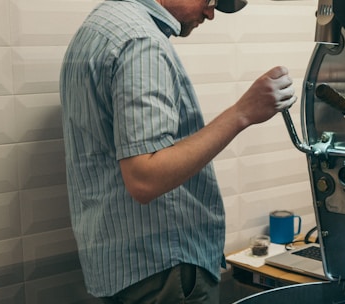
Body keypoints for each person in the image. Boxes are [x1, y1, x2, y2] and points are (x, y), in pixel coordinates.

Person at [59, 0, 297, 302]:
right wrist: (243, 113)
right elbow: (146, 176)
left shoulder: (100, 25)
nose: (211, 13)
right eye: (212, 1)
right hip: (162, 270)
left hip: (120, 267)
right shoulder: (141, 42)